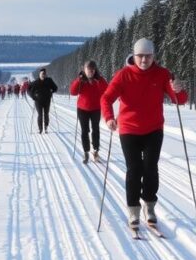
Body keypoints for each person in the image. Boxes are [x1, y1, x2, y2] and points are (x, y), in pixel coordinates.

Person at [101, 38, 187, 231]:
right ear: (134, 56)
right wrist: (109, 117)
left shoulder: (162, 74)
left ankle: (149, 206)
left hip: (154, 129)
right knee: (134, 169)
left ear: (153, 56)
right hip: (129, 129)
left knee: (150, 168)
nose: (144, 60)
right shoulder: (123, 75)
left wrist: (179, 90)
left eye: (148, 56)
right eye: (140, 56)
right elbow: (106, 98)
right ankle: (133, 210)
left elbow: (179, 100)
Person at [69, 60, 108, 164]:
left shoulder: (99, 79)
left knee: (96, 130)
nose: (91, 71)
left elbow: (107, 90)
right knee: (85, 131)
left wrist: (100, 79)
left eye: (92, 69)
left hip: (96, 109)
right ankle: (86, 152)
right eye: (88, 69)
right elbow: (72, 91)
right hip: (82, 109)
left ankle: (96, 151)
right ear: (84, 69)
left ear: (95, 70)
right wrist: (79, 80)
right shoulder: (81, 79)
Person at [28, 67, 58, 133]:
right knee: (40, 115)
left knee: (46, 114)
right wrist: (33, 96)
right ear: (39, 74)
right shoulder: (36, 82)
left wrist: (52, 91)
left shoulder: (49, 80)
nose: (43, 75)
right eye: (42, 74)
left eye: (44, 74)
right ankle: (40, 129)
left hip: (47, 100)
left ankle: (46, 127)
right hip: (38, 101)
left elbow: (55, 88)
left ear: (45, 74)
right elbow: (28, 89)